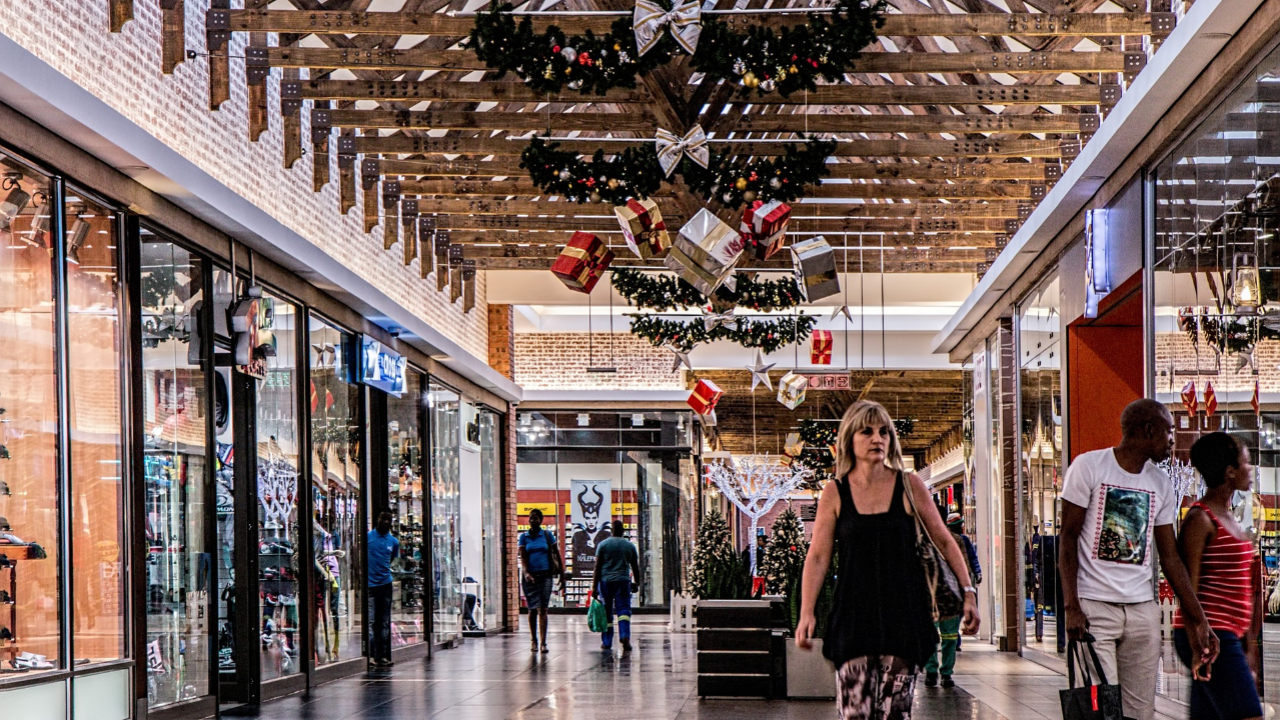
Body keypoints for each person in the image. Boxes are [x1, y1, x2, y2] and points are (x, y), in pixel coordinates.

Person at [796, 401, 979, 720]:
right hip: (854, 617)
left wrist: (969, 592)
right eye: (867, 431)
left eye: (883, 432)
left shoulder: (909, 486)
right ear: (850, 439)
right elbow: (818, 556)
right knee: (855, 712)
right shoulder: (835, 492)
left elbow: (945, 541)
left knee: (896, 712)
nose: (877, 438)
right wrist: (806, 612)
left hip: (902, 616)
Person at [1060, 398, 1219, 720]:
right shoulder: (1089, 467)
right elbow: (1067, 538)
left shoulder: (1159, 483)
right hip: (1094, 608)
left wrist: (1199, 618)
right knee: (1098, 709)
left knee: (1139, 711)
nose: (1173, 440)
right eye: (1169, 431)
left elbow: (1170, 557)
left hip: (1141, 611)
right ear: (1149, 430)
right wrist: (1071, 606)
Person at [1173, 432, 1262, 720]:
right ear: (1229, 473)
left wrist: (1250, 643)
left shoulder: (1229, 517)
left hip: (1228, 636)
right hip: (1211, 636)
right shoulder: (1200, 519)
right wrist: (1198, 644)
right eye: (1246, 463)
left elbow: (1242, 589)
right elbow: (1188, 589)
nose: (1252, 470)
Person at [923, 521, 976, 688]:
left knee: (931, 634)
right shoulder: (954, 540)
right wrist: (966, 592)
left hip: (928, 593)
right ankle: (946, 673)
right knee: (950, 636)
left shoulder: (921, 538)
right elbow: (965, 566)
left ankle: (931, 672)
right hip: (950, 593)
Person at [591, 519, 641, 653]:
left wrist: (594, 587)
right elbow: (635, 567)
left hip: (606, 581)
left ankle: (606, 642)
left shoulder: (603, 545)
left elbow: (597, 567)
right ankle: (625, 636)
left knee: (606, 611)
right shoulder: (629, 546)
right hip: (623, 581)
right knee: (624, 610)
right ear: (623, 531)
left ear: (611, 531)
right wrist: (637, 582)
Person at [519, 508, 562, 653]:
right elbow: (523, 557)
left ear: (541, 520)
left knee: (543, 608)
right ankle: (533, 640)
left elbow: (556, 554)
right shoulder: (524, 537)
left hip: (545, 575)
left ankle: (543, 642)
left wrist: (562, 574)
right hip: (530, 577)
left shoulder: (547, 535)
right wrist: (526, 573)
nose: (532, 521)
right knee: (532, 609)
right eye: (530, 518)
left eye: (535, 518)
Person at [366, 511, 399, 669]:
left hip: (386, 585)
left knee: (384, 622)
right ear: (377, 520)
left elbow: (392, 559)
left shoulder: (393, 541)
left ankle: (382, 655)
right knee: (372, 621)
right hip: (371, 586)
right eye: (383, 519)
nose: (386, 522)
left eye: (389, 520)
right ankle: (372, 656)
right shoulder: (368, 538)